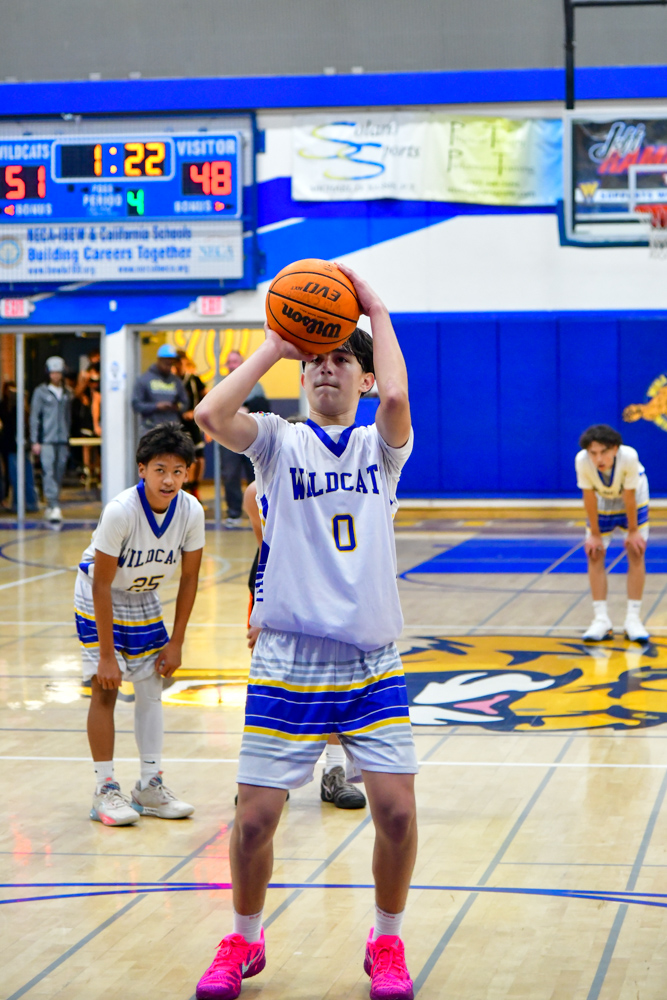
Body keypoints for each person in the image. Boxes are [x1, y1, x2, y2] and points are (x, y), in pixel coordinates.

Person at [194, 264, 418, 1000]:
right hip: (289, 656)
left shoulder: (381, 449)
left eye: (342, 360)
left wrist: (374, 308)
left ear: (361, 379)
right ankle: (244, 940)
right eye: (316, 359)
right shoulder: (277, 442)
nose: (327, 368)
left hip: (369, 657)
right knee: (254, 821)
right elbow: (210, 415)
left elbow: (396, 397)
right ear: (300, 374)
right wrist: (275, 342)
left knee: (396, 812)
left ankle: (386, 942)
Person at [74, 422, 205, 826]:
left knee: (151, 686)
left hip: (143, 595)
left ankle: (149, 786)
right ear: (142, 469)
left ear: (188, 473)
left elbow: (189, 578)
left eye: (178, 471)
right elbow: (101, 584)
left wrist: (176, 642)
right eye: (160, 469)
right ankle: (104, 789)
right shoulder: (121, 511)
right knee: (106, 687)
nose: (169, 480)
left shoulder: (191, 511)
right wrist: (107, 656)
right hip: (100, 594)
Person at [243, 477, 367, 810]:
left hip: (331, 589)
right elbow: (266, 554)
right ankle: (273, 775)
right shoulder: (256, 492)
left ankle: (334, 771)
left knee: (336, 683)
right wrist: (264, 614)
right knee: (274, 685)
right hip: (279, 591)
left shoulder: (342, 481)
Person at [576, 424, 649, 643]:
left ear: (615, 449)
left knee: (636, 551)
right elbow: (588, 496)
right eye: (593, 453)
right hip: (602, 499)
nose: (598, 458)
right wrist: (594, 534)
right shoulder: (581, 461)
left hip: (633, 497)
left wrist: (633, 531)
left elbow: (629, 496)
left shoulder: (629, 457)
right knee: (594, 553)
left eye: (604, 452)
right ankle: (601, 620)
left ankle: (633, 619)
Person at [220, 350, 270, 529]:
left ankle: (256, 513)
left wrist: (246, 409)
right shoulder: (221, 384)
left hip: (251, 439)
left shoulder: (255, 384)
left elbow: (264, 409)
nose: (232, 365)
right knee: (230, 475)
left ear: (242, 363)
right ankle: (234, 513)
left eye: (235, 361)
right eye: (230, 362)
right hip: (228, 439)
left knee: (254, 476)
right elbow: (217, 409)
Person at [29, 356, 73, 522]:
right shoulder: (40, 392)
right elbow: (35, 417)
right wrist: (34, 440)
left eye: (58, 372)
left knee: (59, 472)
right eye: (53, 372)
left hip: (62, 439)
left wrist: (68, 435)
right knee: (48, 471)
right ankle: (54, 505)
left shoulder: (66, 392)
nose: (55, 375)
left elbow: (68, 416)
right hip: (46, 439)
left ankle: (51, 504)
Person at [132, 344, 188, 436]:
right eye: (167, 363)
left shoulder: (176, 381)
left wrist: (177, 407)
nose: (169, 366)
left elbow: (185, 403)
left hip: (172, 430)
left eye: (172, 363)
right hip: (151, 429)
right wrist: (156, 406)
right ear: (160, 360)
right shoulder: (145, 379)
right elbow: (136, 405)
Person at [0, 380, 39, 512]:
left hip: (23, 446)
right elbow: (8, 422)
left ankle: (29, 502)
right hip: (11, 446)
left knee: (27, 476)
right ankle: (18, 503)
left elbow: (27, 424)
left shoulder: (24, 408)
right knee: (14, 476)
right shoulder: (5, 407)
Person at [174, 350, 207, 500]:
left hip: (193, 423)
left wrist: (196, 412)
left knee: (198, 457)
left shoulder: (193, 380)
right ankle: (184, 490)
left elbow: (207, 395)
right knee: (184, 457)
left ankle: (194, 489)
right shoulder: (171, 381)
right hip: (177, 424)